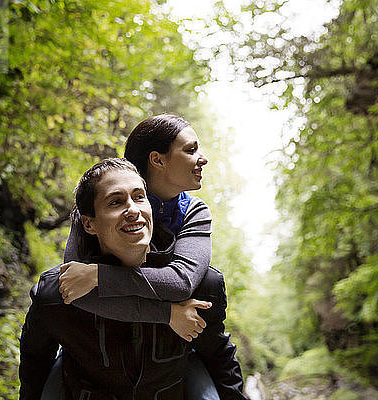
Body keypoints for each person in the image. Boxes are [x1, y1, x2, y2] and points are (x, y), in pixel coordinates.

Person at [57, 114, 245, 399]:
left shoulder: (193, 212)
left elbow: (182, 282)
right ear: (157, 160)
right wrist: (167, 313)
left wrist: (99, 275)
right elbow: (75, 289)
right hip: (97, 360)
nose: (203, 159)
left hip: (173, 356)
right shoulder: (98, 200)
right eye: (191, 150)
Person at [19, 158, 214, 399]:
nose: (133, 210)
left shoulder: (202, 287)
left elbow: (219, 361)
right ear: (89, 224)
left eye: (139, 197)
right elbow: (34, 371)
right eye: (115, 202)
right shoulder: (55, 295)